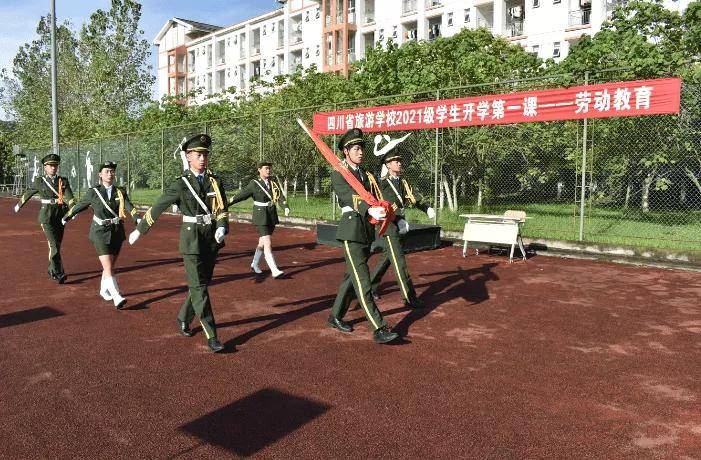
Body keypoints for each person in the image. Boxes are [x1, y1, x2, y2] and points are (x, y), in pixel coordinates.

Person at [128, 134, 229, 353]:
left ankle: (183, 316)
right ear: (188, 157)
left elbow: (221, 208)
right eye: (198, 155)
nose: (203, 159)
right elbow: (158, 206)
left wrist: (222, 226)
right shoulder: (181, 184)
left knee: (201, 284)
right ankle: (212, 335)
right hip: (191, 241)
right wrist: (140, 229)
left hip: (211, 239)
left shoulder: (215, 181)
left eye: (205, 155)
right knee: (200, 288)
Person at [327, 128, 399, 344]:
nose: (360, 153)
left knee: (351, 277)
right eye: (356, 149)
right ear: (346, 151)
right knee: (363, 281)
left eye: (362, 149)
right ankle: (378, 327)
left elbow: (377, 197)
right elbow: (347, 196)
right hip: (351, 230)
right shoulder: (339, 172)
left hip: (366, 230)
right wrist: (367, 209)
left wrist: (391, 212)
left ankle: (335, 316)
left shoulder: (366, 174)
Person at [62, 161, 140, 309]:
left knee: (110, 266)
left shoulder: (120, 191)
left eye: (112, 171)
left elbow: (130, 206)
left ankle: (104, 290)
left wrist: (137, 218)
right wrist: (66, 217)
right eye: (106, 171)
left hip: (117, 231)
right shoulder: (93, 192)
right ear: (100, 174)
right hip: (99, 231)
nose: (110, 174)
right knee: (108, 266)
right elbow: (80, 205)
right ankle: (117, 296)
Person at [369, 147, 436, 308]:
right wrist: (397, 219)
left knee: (387, 258)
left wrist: (426, 208)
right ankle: (409, 297)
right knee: (399, 262)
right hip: (390, 225)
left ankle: (369, 288)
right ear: (388, 164)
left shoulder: (402, 181)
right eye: (396, 161)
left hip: (401, 224)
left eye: (400, 161)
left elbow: (413, 197)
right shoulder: (382, 184)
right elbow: (385, 205)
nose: (399, 163)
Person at [13, 153, 76, 283]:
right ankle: (58, 272)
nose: (53, 168)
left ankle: (51, 268)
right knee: (54, 245)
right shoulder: (39, 181)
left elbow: (70, 197)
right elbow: (29, 193)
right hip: (46, 216)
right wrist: (19, 205)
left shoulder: (63, 181)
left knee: (57, 244)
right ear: (45, 167)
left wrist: (73, 210)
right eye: (51, 166)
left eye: (55, 165)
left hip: (60, 215)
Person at [229, 161, 290, 278]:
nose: (269, 170)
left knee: (262, 243)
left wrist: (285, 207)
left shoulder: (273, 183)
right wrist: (225, 204)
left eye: (269, 168)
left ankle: (254, 264)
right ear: (259, 170)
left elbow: (280, 196)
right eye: (266, 168)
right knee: (267, 242)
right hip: (260, 216)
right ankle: (274, 270)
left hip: (271, 215)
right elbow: (241, 195)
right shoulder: (254, 184)